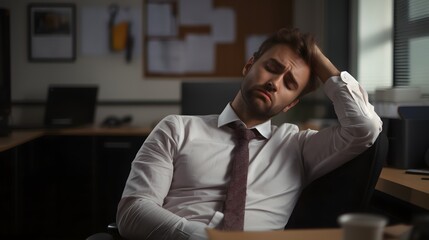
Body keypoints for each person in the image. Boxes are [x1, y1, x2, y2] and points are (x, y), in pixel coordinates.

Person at [116, 28, 382, 240]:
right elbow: (132, 212)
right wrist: (205, 238)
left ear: (291, 104)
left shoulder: (297, 147)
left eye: (289, 84)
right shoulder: (176, 128)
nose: (274, 83)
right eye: (272, 68)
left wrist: (315, 53)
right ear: (249, 65)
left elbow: (365, 127)